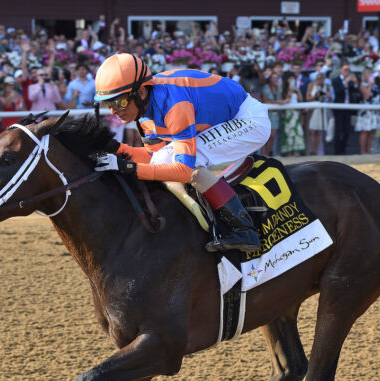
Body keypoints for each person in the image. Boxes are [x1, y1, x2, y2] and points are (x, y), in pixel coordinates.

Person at [93, 53, 270, 253]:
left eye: (119, 102)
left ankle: (244, 229)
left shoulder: (174, 103)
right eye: (108, 104)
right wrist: (117, 149)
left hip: (249, 120)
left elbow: (184, 169)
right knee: (161, 160)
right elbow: (153, 158)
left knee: (191, 164)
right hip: (228, 118)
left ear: (140, 92)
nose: (114, 111)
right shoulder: (144, 113)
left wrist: (129, 168)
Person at [331, 62, 358, 155]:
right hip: (339, 109)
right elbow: (338, 92)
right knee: (338, 130)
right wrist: (345, 83)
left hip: (348, 108)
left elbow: (355, 90)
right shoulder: (336, 80)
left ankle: (343, 150)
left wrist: (355, 83)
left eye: (348, 70)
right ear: (341, 70)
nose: (347, 72)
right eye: (345, 69)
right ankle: (337, 152)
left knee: (347, 130)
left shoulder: (349, 80)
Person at [355, 68, 380, 154]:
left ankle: (368, 151)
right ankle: (363, 152)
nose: (371, 76)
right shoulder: (363, 85)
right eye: (369, 74)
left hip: (375, 111)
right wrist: (370, 85)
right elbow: (366, 97)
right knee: (365, 131)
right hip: (366, 112)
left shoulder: (376, 86)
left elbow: (378, 98)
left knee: (371, 132)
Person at [305, 72, 332, 156]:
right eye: (320, 79)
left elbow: (330, 100)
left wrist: (329, 96)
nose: (322, 81)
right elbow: (307, 98)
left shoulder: (326, 87)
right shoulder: (311, 85)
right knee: (311, 131)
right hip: (313, 110)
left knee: (319, 132)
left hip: (321, 111)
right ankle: (311, 150)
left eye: (323, 79)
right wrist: (315, 96)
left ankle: (315, 151)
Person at [279, 72, 305, 156]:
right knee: (288, 131)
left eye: (293, 78)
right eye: (290, 78)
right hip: (287, 114)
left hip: (296, 113)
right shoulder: (283, 89)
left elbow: (301, 100)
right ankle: (289, 151)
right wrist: (290, 90)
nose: (292, 80)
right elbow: (286, 99)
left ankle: (296, 151)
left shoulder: (296, 89)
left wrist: (298, 91)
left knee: (297, 131)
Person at [261, 72, 283, 156]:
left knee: (273, 135)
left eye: (276, 78)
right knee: (265, 135)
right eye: (273, 78)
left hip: (275, 113)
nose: (275, 80)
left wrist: (280, 102)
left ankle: (268, 153)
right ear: (270, 79)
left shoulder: (279, 87)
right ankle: (264, 154)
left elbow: (280, 99)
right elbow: (265, 100)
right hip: (266, 114)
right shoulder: (265, 88)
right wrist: (276, 102)